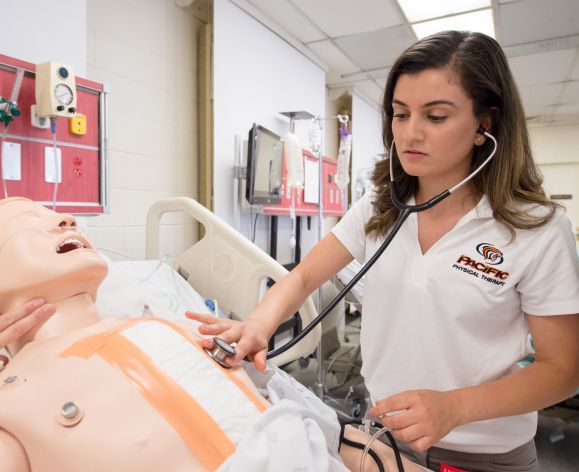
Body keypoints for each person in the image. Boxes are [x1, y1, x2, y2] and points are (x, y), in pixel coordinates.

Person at [187, 31, 579, 472]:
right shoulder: (378, 209)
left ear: (484, 125)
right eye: (400, 114)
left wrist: (455, 408)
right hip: (383, 440)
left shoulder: (536, 229)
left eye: (435, 117)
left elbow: (562, 369)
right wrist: (259, 323)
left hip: (484, 456)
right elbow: (300, 278)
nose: (410, 133)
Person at [0, 197, 424, 472]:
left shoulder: (168, 326)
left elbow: (304, 422)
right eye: (29, 221)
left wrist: (368, 454)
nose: (66, 216)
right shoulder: (12, 395)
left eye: (56, 213)